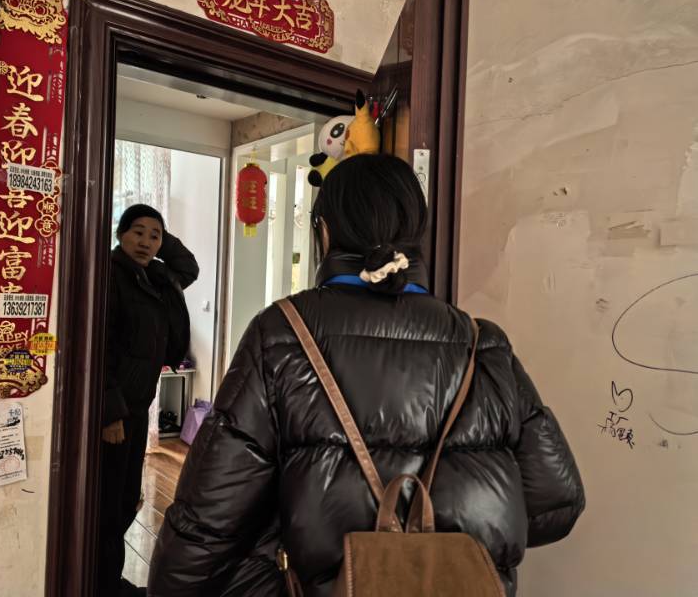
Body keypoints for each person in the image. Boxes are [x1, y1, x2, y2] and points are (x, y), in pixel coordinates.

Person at [147, 154, 585, 597]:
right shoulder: (484, 344)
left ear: (324, 232)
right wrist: (451, 541)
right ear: (416, 235)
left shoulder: (283, 333)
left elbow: (210, 517)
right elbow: (558, 501)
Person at [100, 204, 199, 597]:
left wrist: (163, 240)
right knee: (110, 502)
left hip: (139, 406)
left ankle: (107, 581)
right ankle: (102, 585)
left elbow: (189, 267)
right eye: (137, 232)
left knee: (126, 499)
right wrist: (110, 412)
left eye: (154, 235)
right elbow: (102, 346)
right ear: (120, 234)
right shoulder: (110, 275)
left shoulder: (155, 276)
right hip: (117, 410)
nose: (145, 241)